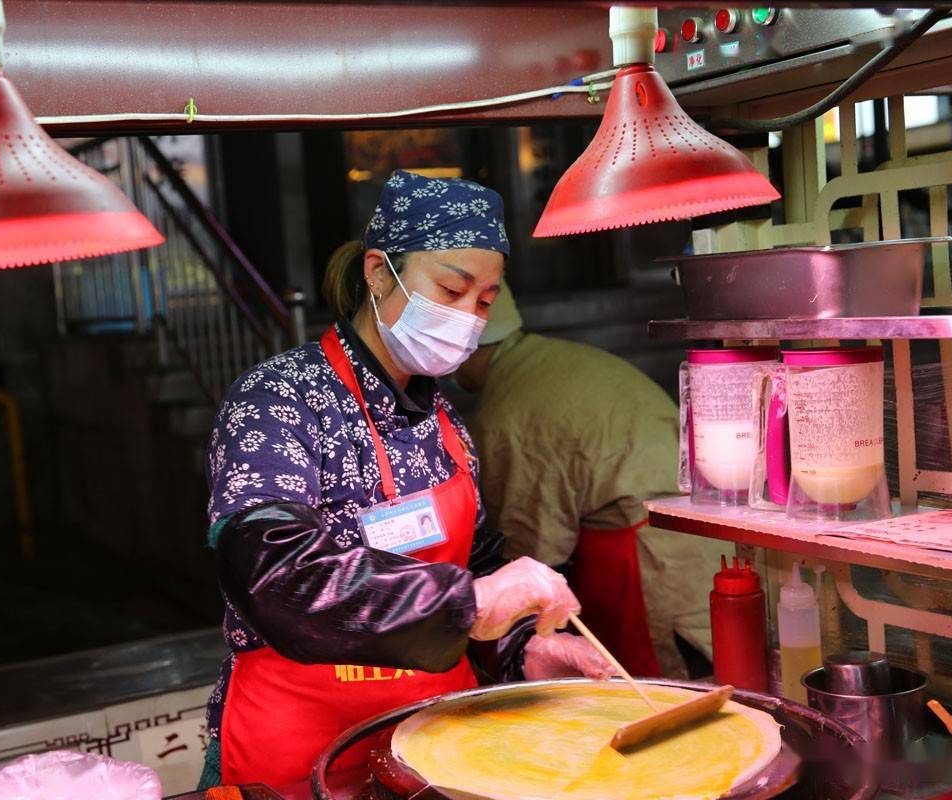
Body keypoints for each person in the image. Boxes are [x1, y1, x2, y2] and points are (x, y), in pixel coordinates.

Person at [201, 171, 615, 790]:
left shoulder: (446, 422)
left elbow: (475, 565)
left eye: (484, 301)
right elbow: (274, 575)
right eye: (450, 288)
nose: (467, 317)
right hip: (297, 751)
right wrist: (468, 604)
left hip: (439, 747)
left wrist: (523, 646)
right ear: (377, 271)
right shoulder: (279, 400)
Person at [454, 282, 731, 679]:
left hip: (653, 558)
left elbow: (528, 549)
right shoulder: (548, 359)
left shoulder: (507, 411)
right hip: (689, 531)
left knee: (667, 695)